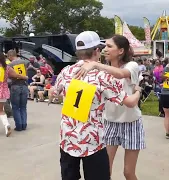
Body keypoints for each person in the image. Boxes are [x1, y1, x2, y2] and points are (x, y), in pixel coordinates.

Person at [50, 31, 142, 180]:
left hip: (68, 139)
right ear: (97, 51)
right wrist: (138, 89)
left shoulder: (66, 71)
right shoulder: (103, 77)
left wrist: (54, 93)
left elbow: (53, 92)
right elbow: (129, 102)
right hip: (92, 141)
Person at [75, 34, 145, 180]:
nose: (105, 49)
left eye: (109, 46)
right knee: (105, 171)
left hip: (131, 122)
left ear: (121, 51)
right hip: (109, 123)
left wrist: (96, 64)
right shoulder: (99, 72)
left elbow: (120, 74)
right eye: (104, 46)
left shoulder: (131, 66)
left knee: (128, 172)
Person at [7, 49, 29, 131]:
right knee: (23, 107)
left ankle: (19, 126)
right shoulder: (25, 62)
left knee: (15, 107)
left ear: (10, 56)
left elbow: (9, 78)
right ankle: (24, 124)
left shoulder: (10, 65)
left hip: (15, 86)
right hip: (24, 86)